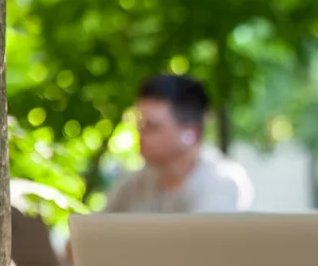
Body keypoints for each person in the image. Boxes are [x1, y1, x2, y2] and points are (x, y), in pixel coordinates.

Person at [102, 74, 253, 214]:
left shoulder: (221, 182)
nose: (140, 133)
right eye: (138, 124)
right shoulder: (133, 185)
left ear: (191, 134)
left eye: (151, 125)